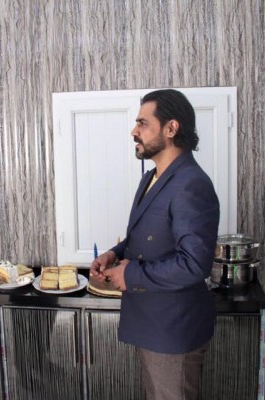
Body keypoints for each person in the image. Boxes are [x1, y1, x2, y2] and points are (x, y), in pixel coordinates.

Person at [90, 89, 220, 400]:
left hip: (172, 329)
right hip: (151, 322)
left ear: (171, 128)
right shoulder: (150, 178)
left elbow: (194, 264)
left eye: (143, 123)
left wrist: (130, 274)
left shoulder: (191, 183)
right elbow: (145, 237)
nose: (134, 131)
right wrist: (114, 254)